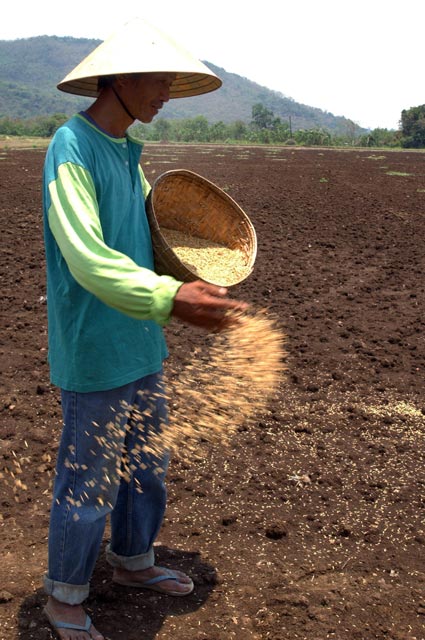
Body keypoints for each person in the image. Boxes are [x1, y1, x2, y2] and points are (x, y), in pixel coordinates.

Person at [41, 18, 244, 640]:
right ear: (123, 77)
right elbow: (86, 255)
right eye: (159, 81)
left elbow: (151, 241)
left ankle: (133, 564)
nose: (165, 94)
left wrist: (193, 277)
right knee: (89, 478)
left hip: (141, 345)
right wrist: (167, 295)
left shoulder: (131, 159)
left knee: (144, 467)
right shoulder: (70, 148)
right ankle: (65, 596)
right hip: (96, 349)